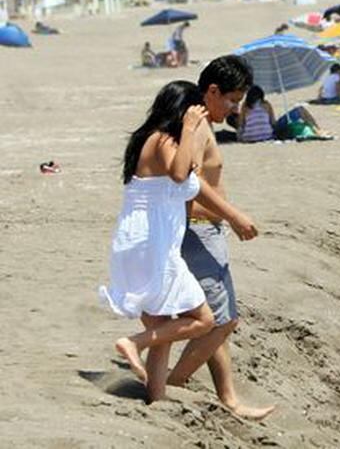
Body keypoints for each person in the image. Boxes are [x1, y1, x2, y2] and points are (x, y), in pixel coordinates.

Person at [100, 81, 256, 402]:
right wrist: (189, 129)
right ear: (182, 110)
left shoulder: (152, 138)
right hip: (151, 244)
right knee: (203, 319)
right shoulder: (162, 139)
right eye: (194, 110)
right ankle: (134, 343)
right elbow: (180, 175)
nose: (200, 116)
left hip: (142, 240)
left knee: (164, 326)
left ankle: (156, 398)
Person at [165, 56, 275, 420]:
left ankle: (227, 397)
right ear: (212, 91)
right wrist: (234, 215)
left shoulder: (201, 122)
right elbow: (190, 184)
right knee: (222, 321)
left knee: (217, 320)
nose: (235, 108)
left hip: (206, 232)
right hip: (198, 233)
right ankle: (174, 383)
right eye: (231, 100)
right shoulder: (196, 127)